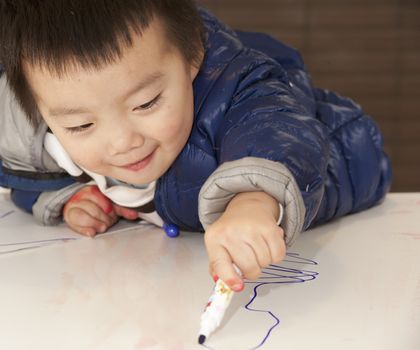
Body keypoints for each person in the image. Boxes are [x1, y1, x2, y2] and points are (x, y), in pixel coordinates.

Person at [0, 0, 391, 292]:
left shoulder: (237, 95)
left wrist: (253, 203)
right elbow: (24, 170)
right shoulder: (32, 120)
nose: (123, 143)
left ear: (192, 58)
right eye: (81, 125)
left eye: (146, 103)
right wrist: (66, 198)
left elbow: (273, 131)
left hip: (340, 153)